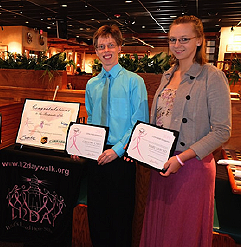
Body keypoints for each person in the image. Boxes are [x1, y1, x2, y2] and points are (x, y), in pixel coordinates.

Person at [139, 15, 231, 246]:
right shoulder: (168, 74)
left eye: (184, 39)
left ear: (199, 40)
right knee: (161, 230)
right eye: (172, 40)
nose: (177, 45)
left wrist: (181, 159)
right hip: (162, 163)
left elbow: (222, 131)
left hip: (192, 168)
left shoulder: (213, 77)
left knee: (181, 234)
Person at [80, 25, 149, 246]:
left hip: (121, 158)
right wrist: (83, 147)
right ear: (96, 50)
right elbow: (91, 119)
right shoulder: (92, 84)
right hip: (96, 156)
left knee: (120, 219)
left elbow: (140, 124)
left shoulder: (133, 81)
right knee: (97, 217)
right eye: (101, 46)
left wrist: (117, 150)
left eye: (110, 45)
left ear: (120, 47)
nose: (106, 50)